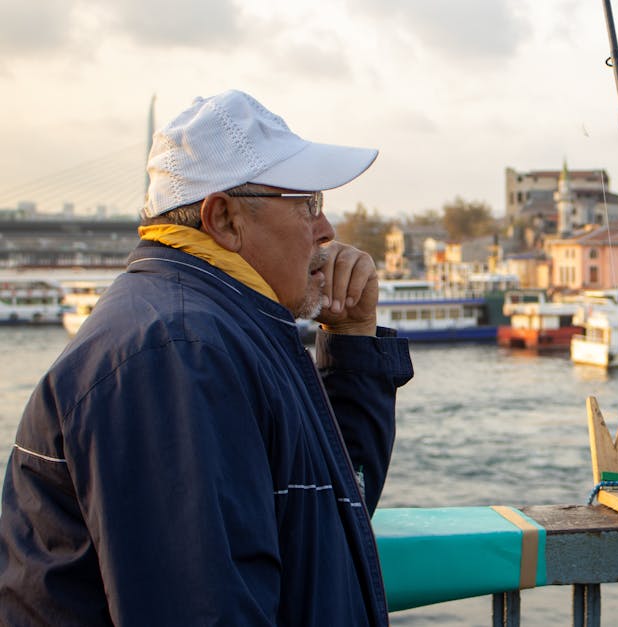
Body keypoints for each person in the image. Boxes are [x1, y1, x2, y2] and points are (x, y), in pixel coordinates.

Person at [0, 90, 413, 626]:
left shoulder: (223, 329)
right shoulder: (177, 356)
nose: (327, 230)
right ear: (225, 219)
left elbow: (326, 511)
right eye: (306, 205)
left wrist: (353, 338)